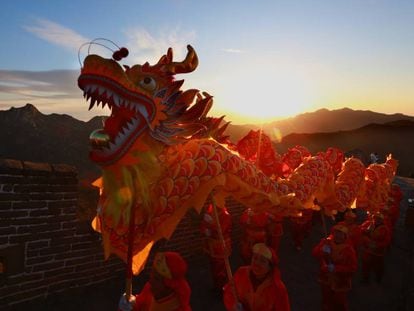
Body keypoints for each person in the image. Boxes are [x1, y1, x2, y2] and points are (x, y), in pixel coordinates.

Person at [223, 243, 290, 311]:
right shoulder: (241, 273)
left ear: (270, 267)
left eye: (262, 261)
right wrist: (233, 306)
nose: (257, 263)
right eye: (255, 258)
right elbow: (229, 292)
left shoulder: (278, 288)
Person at [118, 251, 191, 311]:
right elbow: (139, 305)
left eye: (156, 278)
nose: (150, 280)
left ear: (169, 286)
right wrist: (130, 305)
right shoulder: (150, 289)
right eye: (152, 273)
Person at [312, 224, 358, 311]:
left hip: (340, 280)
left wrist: (335, 268)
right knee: (326, 298)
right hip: (326, 277)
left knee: (339, 302)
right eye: (336, 232)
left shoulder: (349, 250)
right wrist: (322, 250)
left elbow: (352, 268)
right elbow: (315, 253)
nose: (338, 235)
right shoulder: (326, 242)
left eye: (341, 233)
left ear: (345, 236)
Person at [200, 204, 232, 290]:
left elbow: (220, 230)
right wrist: (205, 227)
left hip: (221, 245)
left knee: (222, 266)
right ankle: (217, 285)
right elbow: (204, 226)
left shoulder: (225, 215)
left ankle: (223, 287)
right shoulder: (211, 212)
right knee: (214, 266)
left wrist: (209, 224)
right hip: (213, 245)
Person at [360, 212, 391, 284]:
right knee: (366, 265)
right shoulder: (370, 224)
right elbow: (363, 230)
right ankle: (365, 279)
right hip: (368, 250)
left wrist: (377, 245)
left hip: (378, 252)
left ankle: (378, 278)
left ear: (382, 220)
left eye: (379, 219)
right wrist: (364, 231)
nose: (377, 220)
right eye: (375, 218)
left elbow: (386, 241)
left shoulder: (385, 229)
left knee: (378, 266)